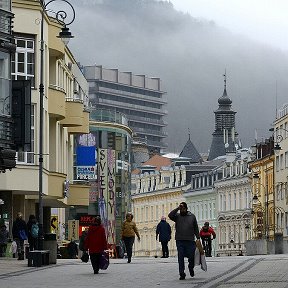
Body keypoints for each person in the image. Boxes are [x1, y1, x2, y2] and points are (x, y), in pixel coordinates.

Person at [168, 202, 200, 280]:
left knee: (191, 256)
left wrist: (198, 237)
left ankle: (191, 267)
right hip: (180, 240)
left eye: (183, 209)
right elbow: (170, 215)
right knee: (180, 257)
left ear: (186, 209)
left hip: (190, 240)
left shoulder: (192, 217)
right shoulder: (177, 217)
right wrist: (177, 208)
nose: (182, 210)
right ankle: (182, 273)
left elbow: (195, 227)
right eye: (181, 209)